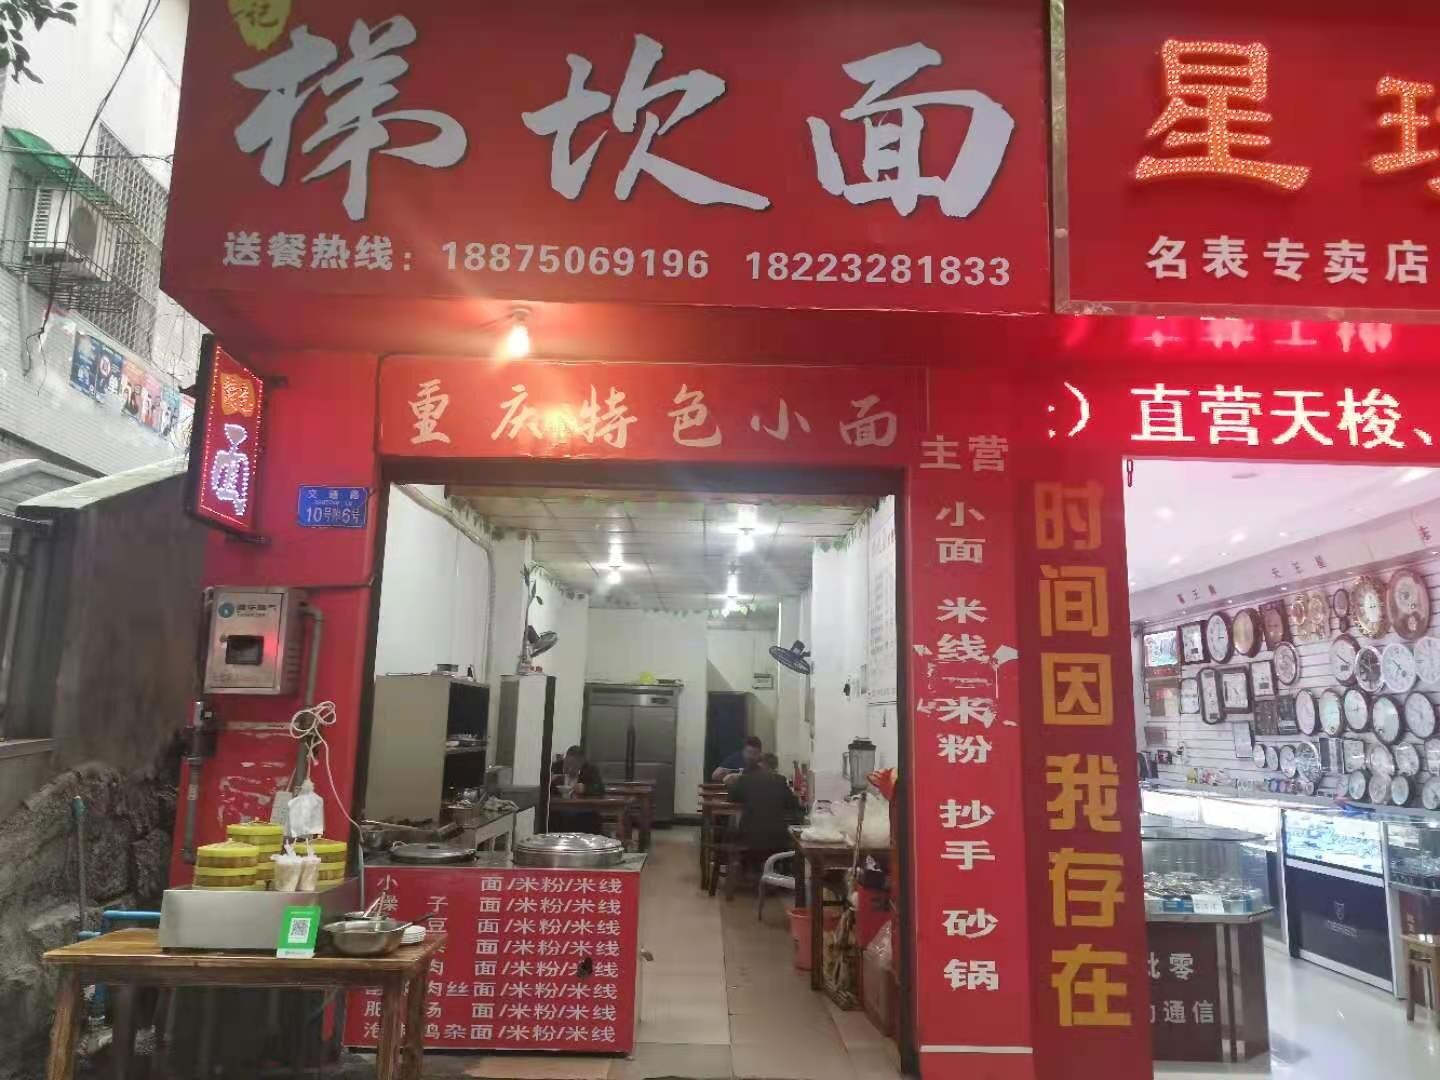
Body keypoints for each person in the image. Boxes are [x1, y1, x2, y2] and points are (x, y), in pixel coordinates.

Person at [727, 753, 801, 873]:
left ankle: (748, 870)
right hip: (777, 840)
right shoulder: (780, 780)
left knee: (735, 825)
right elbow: (793, 804)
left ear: (760, 764)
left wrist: (734, 782)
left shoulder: (746, 779)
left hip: (749, 839)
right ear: (775, 767)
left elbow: (731, 798)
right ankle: (780, 871)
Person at [548, 745, 606, 833]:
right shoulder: (557, 767)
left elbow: (600, 788)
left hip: (582, 810)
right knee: (550, 816)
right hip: (558, 809)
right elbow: (548, 789)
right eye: (567, 763)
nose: (570, 767)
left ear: (581, 763)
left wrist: (585, 788)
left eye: (574, 764)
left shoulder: (590, 769)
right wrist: (550, 780)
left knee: (589, 818)